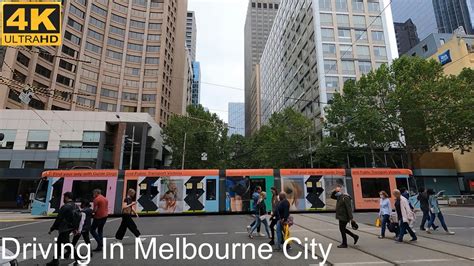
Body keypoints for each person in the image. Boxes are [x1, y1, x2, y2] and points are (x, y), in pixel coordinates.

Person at [47, 192, 77, 265]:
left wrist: (52, 228)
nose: (63, 199)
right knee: (59, 243)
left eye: (64, 197)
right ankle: (55, 260)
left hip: (64, 228)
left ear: (66, 197)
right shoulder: (75, 206)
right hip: (71, 227)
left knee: (66, 244)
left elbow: (59, 218)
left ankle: (78, 257)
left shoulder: (65, 207)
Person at [71, 199, 93, 265]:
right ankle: (90, 252)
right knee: (87, 240)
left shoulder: (85, 211)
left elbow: (79, 214)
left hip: (82, 228)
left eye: (82, 204)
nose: (81, 205)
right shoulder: (89, 210)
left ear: (84, 204)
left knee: (74, 241)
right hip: (87, 227)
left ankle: (69, 252)